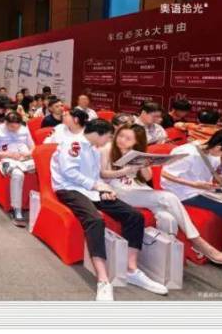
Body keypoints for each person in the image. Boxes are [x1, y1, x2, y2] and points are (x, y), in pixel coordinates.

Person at [52, 119, 168, 301]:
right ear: (98, 134)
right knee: (95, 220)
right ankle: (103, 279)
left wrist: (104, 188)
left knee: (134, 216)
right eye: (108, 136)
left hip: (92, 189)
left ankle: (131, 269)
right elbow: (69, 173)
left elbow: (96, 176)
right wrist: (97, 186)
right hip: (69, 189)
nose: (109, 140)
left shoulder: (93, 149)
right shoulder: (73, 144)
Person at [101, 124, 222, 268]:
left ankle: (164, 261)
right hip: (118, 190)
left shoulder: (135, 153)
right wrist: (124, 171)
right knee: (168, 197)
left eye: (128, 139)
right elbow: (103, 174)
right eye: (121, 136)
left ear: (136, 141)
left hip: (138, 188)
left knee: (168, 218)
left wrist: (143, 164)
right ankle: (199, 243)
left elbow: (147, 178)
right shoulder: (108, 149)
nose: (122, 140)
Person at [161, 128, 222, 276]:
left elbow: (209, 171)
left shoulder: (212, 152)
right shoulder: (187, 152)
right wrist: (194, 184)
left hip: (204, 189)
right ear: (218, 147)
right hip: (184, 192)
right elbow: (165, 174)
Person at [0, 112, 35, 226]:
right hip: (7, 159)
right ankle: (16, 210)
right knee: (18, 174)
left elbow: (33, 147)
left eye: (17, 127)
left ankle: (40, 206)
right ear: (6, 123)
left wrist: (28, 153)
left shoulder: (24, 129)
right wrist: (8, 154)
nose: (15, 129)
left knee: (43, 167)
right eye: (12, 127)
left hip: (25, 158)